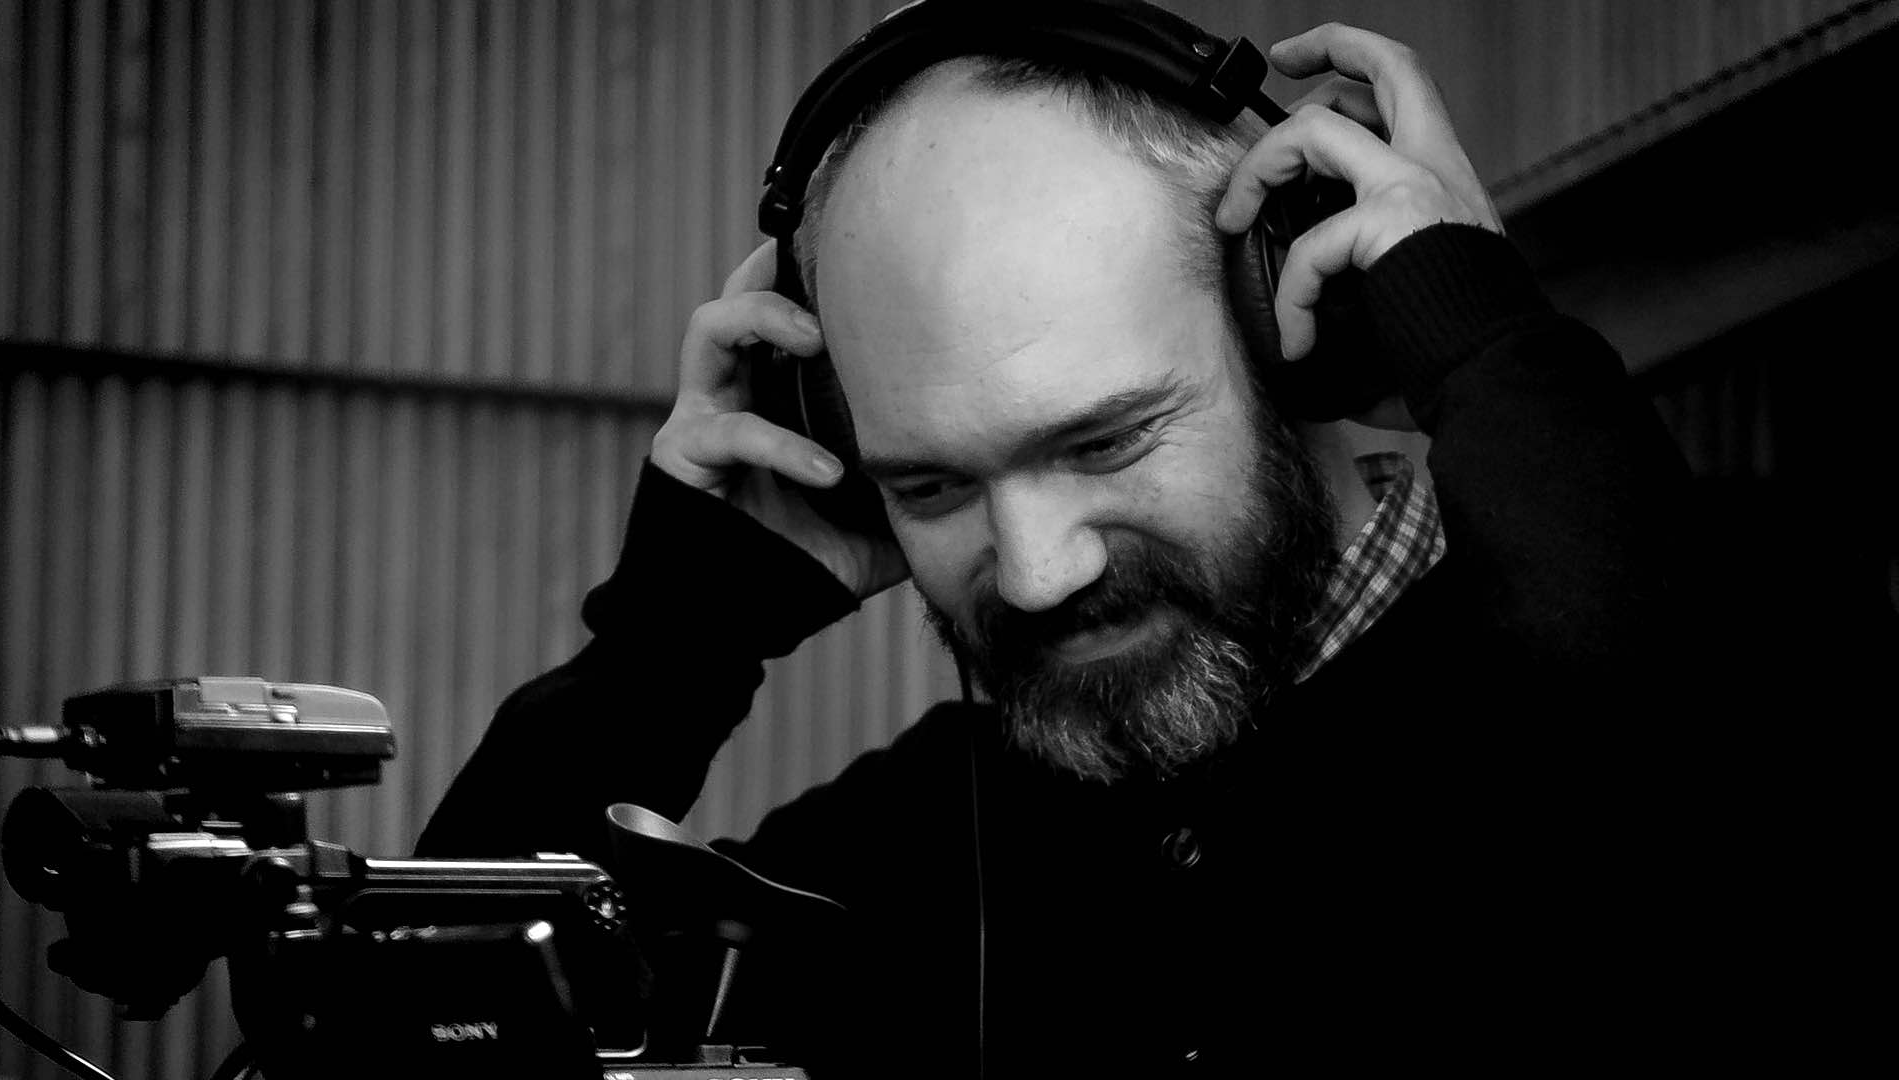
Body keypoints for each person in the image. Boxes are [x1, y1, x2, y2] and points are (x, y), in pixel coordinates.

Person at [418, 14, 1769, 1075]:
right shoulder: (928, 847)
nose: (1035, 571)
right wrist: (671, 645)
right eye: (931, 485)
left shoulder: (1647, 661)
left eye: (1107, 442)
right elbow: (419, 1027)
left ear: (1294, 339)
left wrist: (1492, 349)